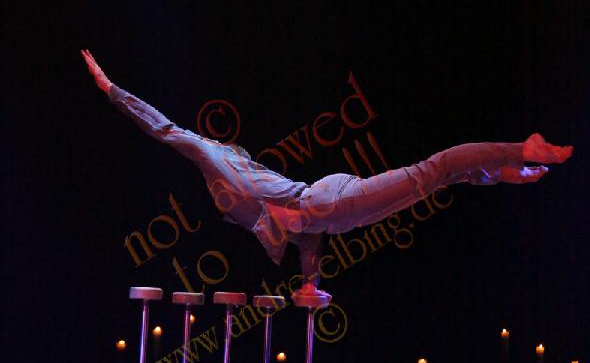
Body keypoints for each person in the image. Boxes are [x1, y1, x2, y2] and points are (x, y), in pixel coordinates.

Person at [82, 49, 574, 298]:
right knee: (434, 179)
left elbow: (164, 129)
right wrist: (309, 283)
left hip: (329, 203)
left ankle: (521, 149)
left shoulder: (211, 160)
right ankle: (506, 172)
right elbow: (305, 235)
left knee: (433, 170)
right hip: (328, 208)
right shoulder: (244, 199)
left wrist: (110, 90)